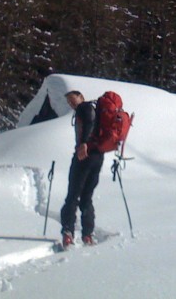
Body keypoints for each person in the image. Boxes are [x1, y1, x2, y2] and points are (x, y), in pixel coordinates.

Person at [60, 90, 104, 248]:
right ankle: (87, 234)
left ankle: (68, 233)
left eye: (73, 100)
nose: (72, 104)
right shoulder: (95, 109)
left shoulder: (84, 108)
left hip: (83, 156)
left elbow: (89, 123)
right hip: (98, 157)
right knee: (86, 196)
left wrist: (84, 143)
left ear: (81, 97)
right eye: (69, 102)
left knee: (72, 195)